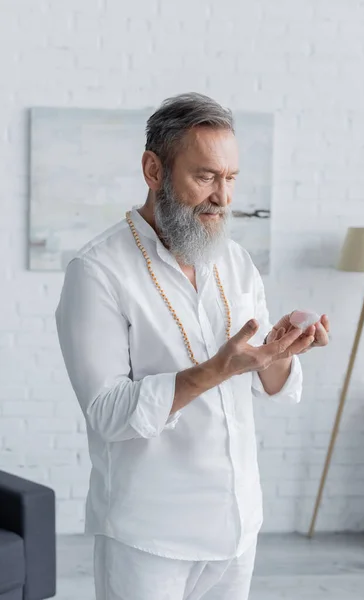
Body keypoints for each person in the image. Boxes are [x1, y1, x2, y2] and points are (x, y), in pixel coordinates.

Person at [55, 92, 329, 600]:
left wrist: (281, 353)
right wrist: (216, 370)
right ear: (153, 169)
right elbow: (108, 413)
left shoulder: (236, 261)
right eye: (205, 176)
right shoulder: (96, 273)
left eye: (230, 179)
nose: (222, 197)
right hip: (149, 537)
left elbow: (264, 380)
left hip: (237, 528)